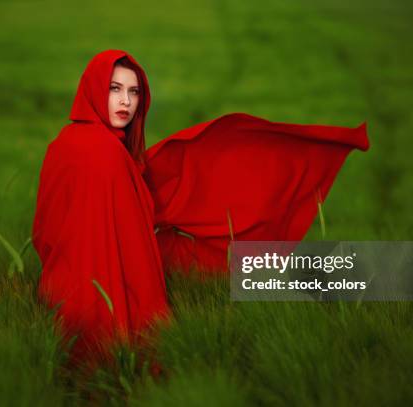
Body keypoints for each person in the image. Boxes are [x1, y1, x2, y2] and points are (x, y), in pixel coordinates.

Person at [32, 49, 370, 363]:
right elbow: (132, 250)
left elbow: (44, 232)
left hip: (61, 295)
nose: (126, 101)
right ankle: (373, 277)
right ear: (92, 89)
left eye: (134, 92)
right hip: (105, 304)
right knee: (233, 259)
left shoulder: (62, 144)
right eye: (114, 89)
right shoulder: (106, 153)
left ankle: (364, 276)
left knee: (225, 260)